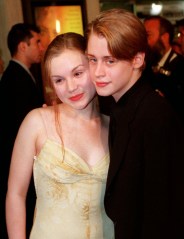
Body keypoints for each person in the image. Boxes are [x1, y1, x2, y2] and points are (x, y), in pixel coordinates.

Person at [86, 8, 184, 239]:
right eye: (92, 60)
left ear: (137, 60)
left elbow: (163, 212)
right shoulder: (122, 105)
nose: (97, 72)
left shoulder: (153, 115)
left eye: (109, 60)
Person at [6, 32, 114, 239]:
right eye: (59, 80)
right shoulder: (37, 122)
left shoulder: (114, 126)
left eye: (77, 73)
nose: (71, 87)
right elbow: (15, 195)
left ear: (93, 67)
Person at [0, 23, 44, 239]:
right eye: (37, 42)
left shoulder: (23, 75)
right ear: (22, 47)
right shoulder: (15, 79)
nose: (41, 47)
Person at [143, 15, 184, 122]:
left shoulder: (180, 66)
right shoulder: (145, 65)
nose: (144, 42)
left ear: (164, 37)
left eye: (148, 35)